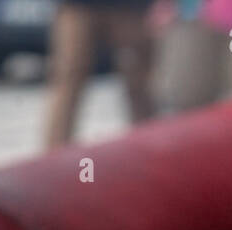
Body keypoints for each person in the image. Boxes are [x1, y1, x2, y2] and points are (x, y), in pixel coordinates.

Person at [42, 0, 156, 149]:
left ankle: (148, 154)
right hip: (77, 6)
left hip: (130, 8)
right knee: (68, 78)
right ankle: (53, 159)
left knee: (139, 85)